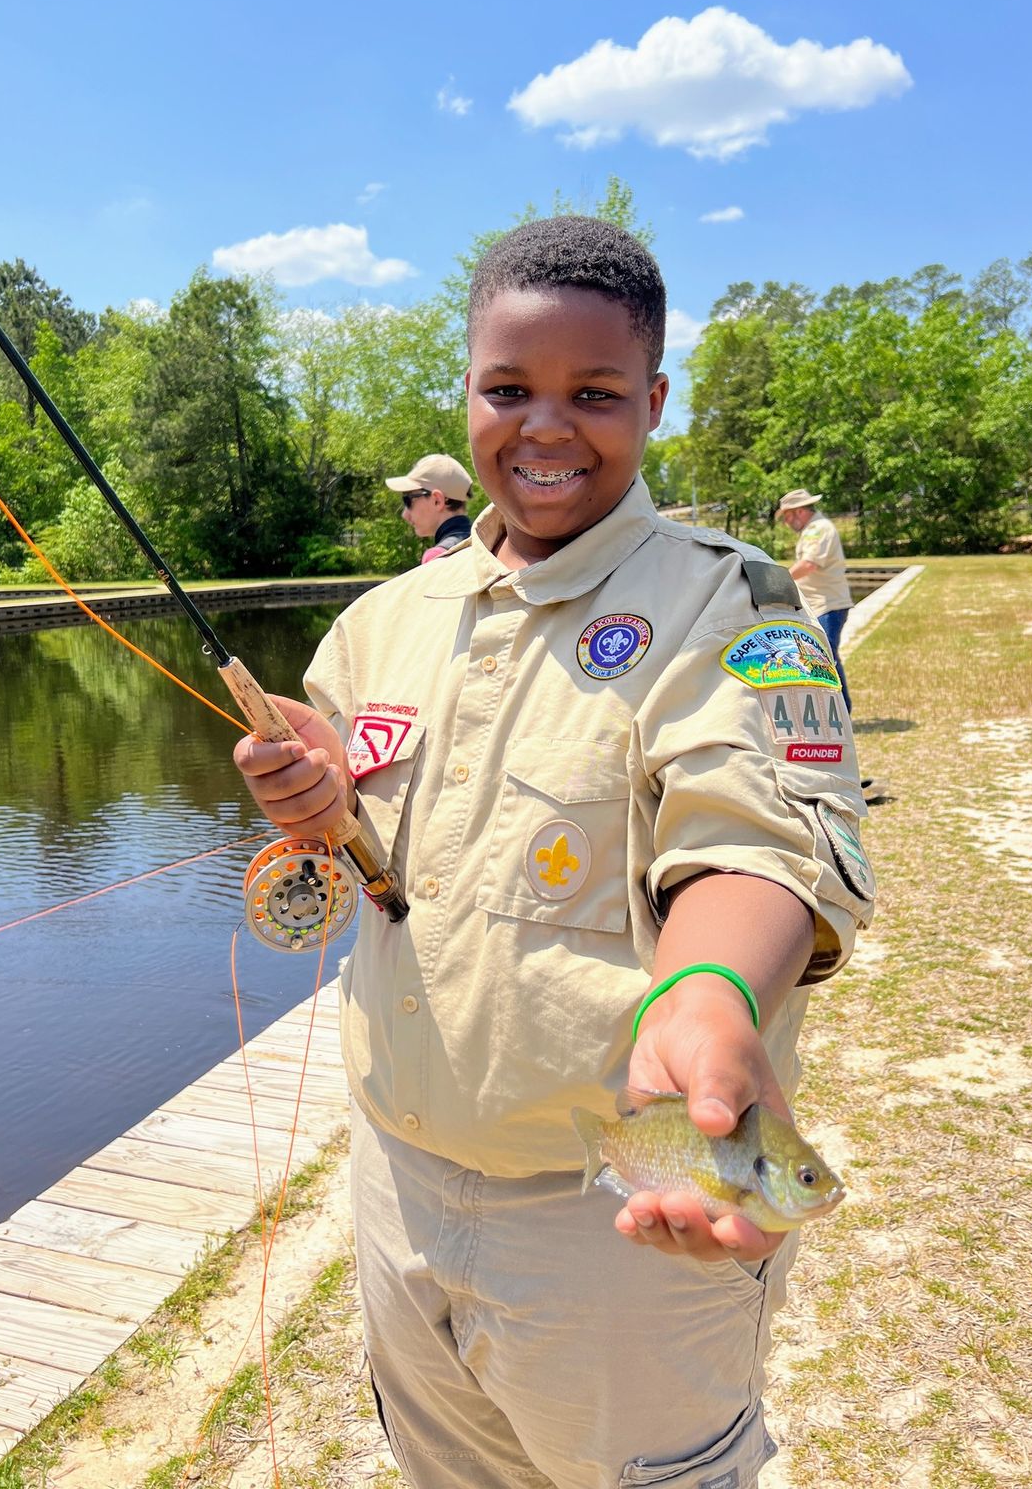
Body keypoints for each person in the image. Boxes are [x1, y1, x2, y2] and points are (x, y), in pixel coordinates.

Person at [234, 216, 875, 1489]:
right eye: (508, 389)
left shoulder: (739, 604)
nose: (544, 426)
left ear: (655, 398)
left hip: (618, 1227)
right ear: (466, 389)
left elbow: (757, 845)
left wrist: (704, 995)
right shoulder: (380, 620)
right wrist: (307, 802)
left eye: (593, 394)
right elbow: (357, 843)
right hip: (397, 1185)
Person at [777, 489, 853, 712]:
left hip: (828, 605)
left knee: (823, 661)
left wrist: (779, 581)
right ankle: (838, 712)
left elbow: (809, 564)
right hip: (820, 606)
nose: (786, 523)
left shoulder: (818, 529)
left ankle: (840, 712)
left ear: (799, 511)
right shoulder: (814, 529)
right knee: (823, 659)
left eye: (787, 517)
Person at [386, 452, 473, 562]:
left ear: (437, 500)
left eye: (408, 500)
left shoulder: (438, 557)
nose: (404, 515)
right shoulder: (488, 542)